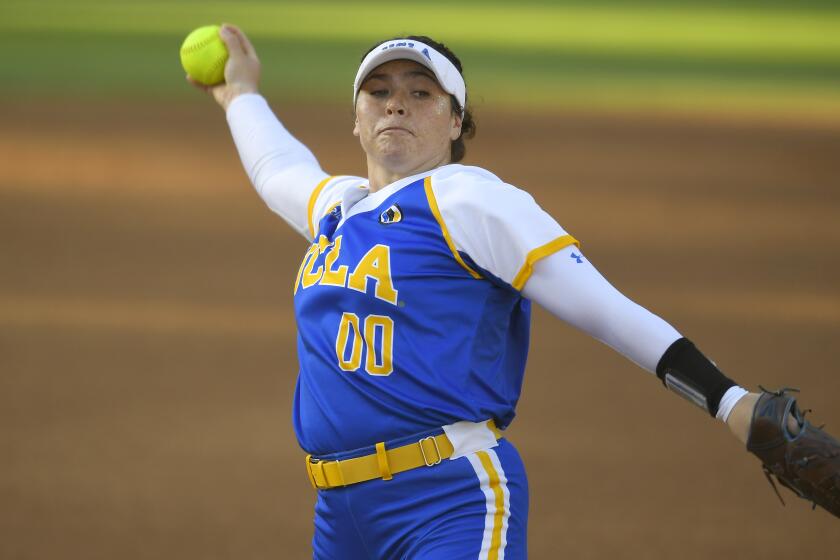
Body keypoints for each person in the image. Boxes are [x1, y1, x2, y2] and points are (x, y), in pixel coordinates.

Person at [188, 24, 840, 559]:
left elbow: (606, 310)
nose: (396, 104)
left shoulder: (469, 200)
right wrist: (238, 92)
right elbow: (278, 167)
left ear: (455, 123)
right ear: (356, 120)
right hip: (340, 518)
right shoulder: (336, 210)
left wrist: (726, 400)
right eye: (379, 91)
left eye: (422, 93)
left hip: (449, 499)